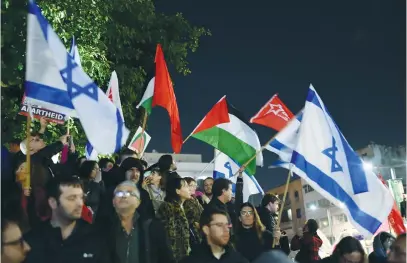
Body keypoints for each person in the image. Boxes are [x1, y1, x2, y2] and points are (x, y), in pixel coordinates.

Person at [24, 176, 108, 263]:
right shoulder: (33, 240)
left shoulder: (95, 237)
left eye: (81, 197)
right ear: (53, 202)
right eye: (72, 198)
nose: (80, 204)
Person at [96, 181, 174, 263]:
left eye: (130, 193)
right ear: (113, 202)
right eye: (119, 193)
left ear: (138, 202)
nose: (124, 196)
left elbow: (166, 257)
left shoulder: (152, 226)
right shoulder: (102, 227)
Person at [181, 208, 248, 263]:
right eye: (219, 225)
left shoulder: (238, 259)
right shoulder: (192, 260)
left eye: (227, 225)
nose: (226, 230)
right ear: (206, 229)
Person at [157, 177, 192, 262]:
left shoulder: (184, 207)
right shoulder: (168, 207)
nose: (189, 189)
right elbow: (169, 236)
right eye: (186, 186)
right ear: (177, 191)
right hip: (173, 257)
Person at [183, 177, 204, 248]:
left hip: (201, 230)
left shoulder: (195, 199)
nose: (194, 188)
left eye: (195, 185)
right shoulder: (184, 201)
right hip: (192, 233)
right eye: (191, 185)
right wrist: (195, 224)